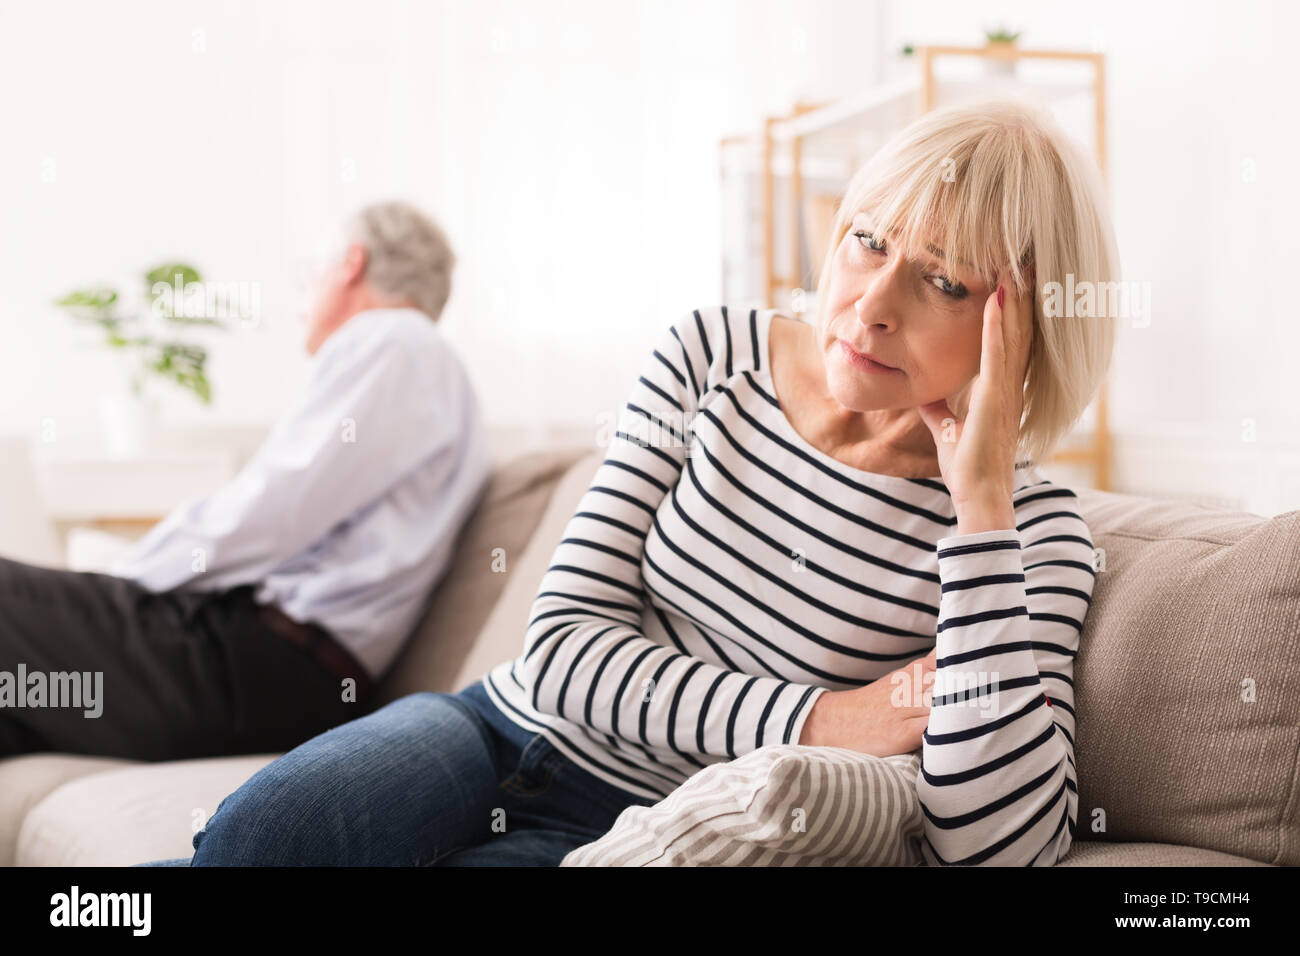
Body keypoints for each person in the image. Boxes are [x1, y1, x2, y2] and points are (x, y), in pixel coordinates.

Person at [164, 98, 1116, 867]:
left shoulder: (1034, 537)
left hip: (646, 833)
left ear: (1024, 332)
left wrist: (982, 516)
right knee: (261, 838)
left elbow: (1001, 848)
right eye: (868, 240)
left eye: (943, 283)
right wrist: (825, 718)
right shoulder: (710, 354)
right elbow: (565, 648)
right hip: (501, 727)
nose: (869, 307)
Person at [0, 201, 491, 762]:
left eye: (312, 270)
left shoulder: (393, 341)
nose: (302, 297)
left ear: (350, 263)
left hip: (253, 666)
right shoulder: (427, 367)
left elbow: (274, 512)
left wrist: (118, 586)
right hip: (275, 678)